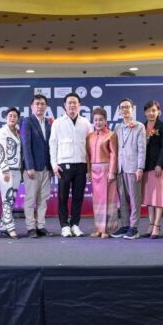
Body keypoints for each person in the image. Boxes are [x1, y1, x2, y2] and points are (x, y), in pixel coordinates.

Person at [50, 93, 91, 238]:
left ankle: (75, 225)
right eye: (69, 103)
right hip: (63, 165)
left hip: (81, 164)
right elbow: (53, 144)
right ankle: (64, 226)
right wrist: (54, 164)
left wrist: (89, 167)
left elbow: (90, 146)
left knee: (78, 197)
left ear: (79, 105)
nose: (72, 105)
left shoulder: (86, 123)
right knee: (63, 197)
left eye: (75, 102)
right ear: (64, 105)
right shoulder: (58, 123)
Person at [110, 98, 146, 239]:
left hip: (133, 167)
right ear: (119, 111)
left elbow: (142, 149)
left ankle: (134, 228)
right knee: (123, 200)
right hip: (120, 168)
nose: (125, 109)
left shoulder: (139, 126)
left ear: (132, 109)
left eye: (127, 107)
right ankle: (125, 225)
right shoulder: (117, 128)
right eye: (122, 107)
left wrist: (140, 168)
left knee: (134, 199)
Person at [21, 94, 53, 239]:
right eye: (37, 104)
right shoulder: (27, 121)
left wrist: (51, 166)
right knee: (30, 199)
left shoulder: (49, 123)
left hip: (46, 167)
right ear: (32, 106)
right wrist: (29, 166)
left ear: (46, 106)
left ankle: (40, 226)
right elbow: (26, 145)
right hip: (32, 169)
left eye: (42, 104)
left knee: (43, 199)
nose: (40, 106)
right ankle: (30, 227)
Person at [86, 107, 118, 238]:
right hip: (94, 171)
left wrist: (112, 171)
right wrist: (88, 171)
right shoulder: (89, 136)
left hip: (106, 170)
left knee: (108, 199)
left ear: (105, 121)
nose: (98, 122)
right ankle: (99, 228)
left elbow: (114, 154)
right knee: (97, 201)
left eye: (101, 120)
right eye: (95, 120)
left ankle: (107, 229)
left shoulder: (111, 134)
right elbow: (88, 156)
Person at [141, 100, 163, 239]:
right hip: (146, 166)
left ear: (159, 112)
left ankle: (157, 226)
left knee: (158, 198)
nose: (151, 113)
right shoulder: (142, 126)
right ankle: (151, 224)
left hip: (158, 167)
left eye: (153, 110)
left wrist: (159, 164)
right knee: (149, 197)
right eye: (148, 111)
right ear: (145, 113)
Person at [0, 107, 22, 238]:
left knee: (13, 198)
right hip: (4, 169)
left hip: (16, 169)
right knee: (7, 198)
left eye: (15, 116)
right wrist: (5, 170)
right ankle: (11, 228)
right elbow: (1, 151)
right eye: (10, 115)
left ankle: (3, 226)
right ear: (6, 117)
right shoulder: (2, 132)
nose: (12, 118)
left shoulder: (17, 131)